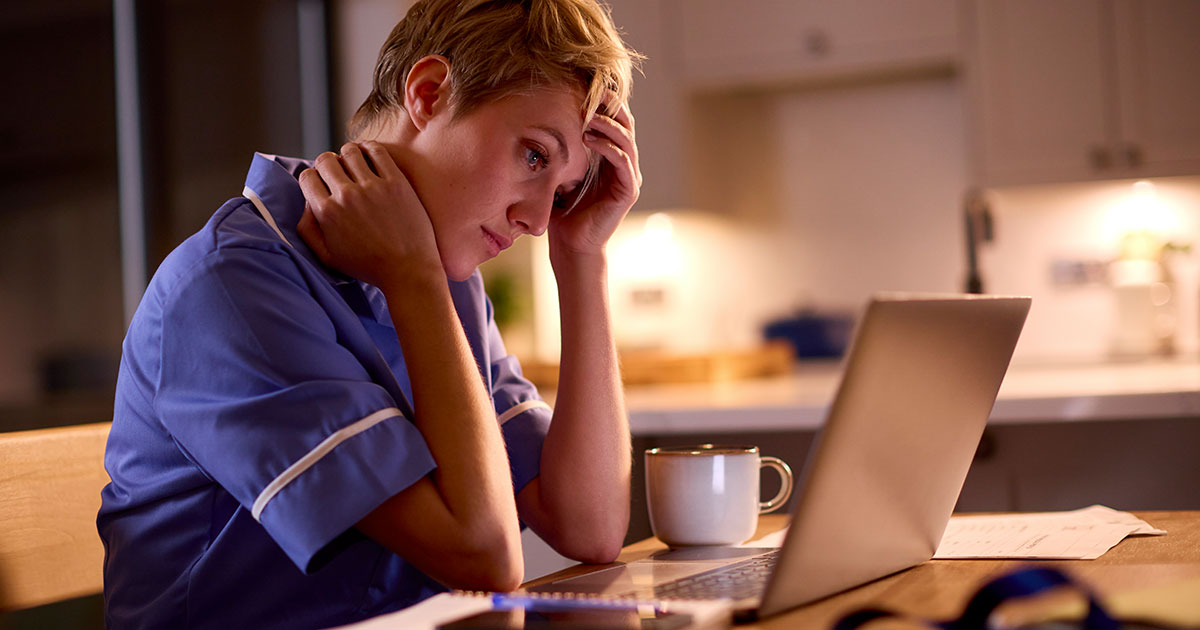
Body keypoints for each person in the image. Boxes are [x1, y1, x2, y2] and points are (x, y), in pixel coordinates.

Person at [97, 0, 642, 626]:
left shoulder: (439, 274)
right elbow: (485, 558)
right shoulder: (230, 288)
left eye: (563, 188)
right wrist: (416, 282)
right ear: (430, 92)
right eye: (535, 156)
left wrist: (582, 259)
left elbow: (590, 526)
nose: (540, 220)